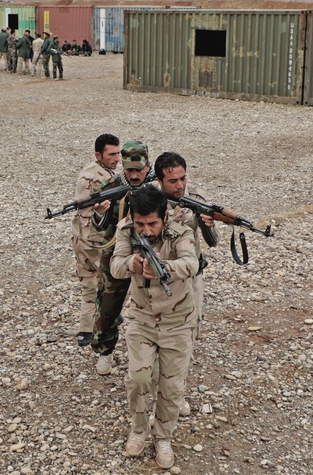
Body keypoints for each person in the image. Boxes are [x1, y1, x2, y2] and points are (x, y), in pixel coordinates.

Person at [110, 185, 198, 470]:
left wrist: (166, 268)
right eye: (140, 224)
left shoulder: (180, 231)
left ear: (164, 217)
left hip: (178, 321)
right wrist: (132, 263)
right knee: (138, 379)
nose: (145, 230)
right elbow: (114, 266)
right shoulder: (127, 231)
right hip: (141, 319)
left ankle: (163, 437)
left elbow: (191, 263)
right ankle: (138, 429)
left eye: (152, 223)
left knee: (172, 386)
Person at [153, 151, 216, 417]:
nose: (180, 186)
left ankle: (175, 395)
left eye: (183, 178)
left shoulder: (196, 198)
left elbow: (212, 241)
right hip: (159, 280)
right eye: (173, 181)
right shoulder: (150, 202)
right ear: (159, 181)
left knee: (187, 336)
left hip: (192, 277)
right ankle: (158, 396)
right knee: (157, 338)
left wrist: (209, 225)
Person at [89, 140, 154, 374]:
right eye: (129, 170)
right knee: (107, 304)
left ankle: (158, 354)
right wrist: (99, 214)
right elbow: (100, 227)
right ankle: (104, 351)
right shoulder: (111, 186)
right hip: (117, 251)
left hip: (153, 254)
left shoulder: (159, 187)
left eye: (139, 169)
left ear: (148, 165)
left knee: (156, 305)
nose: (135, 174)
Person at [70, 134, 122, 348]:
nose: (117, 158)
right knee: (109, 283)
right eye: (112, 154)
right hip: (96, 240)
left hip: (80, 236)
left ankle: (84, 329)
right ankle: (104, 323)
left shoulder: (90, 170)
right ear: (98, 155)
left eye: (118, 153)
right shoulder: (102, 178)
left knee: (88, 284)